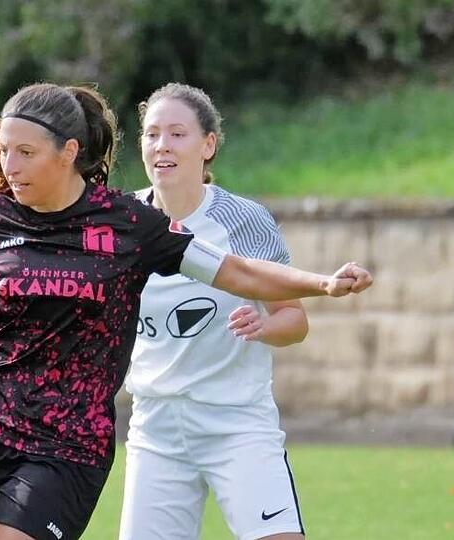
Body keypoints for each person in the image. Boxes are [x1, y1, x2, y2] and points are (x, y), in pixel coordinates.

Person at [0, 82, 372, 540]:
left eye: (25, 152)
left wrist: (322, 284)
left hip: (68, 443)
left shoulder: (130, 224)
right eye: (6, 151)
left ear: (68, 151)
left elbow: (236, 271)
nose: (9, 166)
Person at [119, 82, 314, 540]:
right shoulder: (122, 219)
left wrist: (264, 327)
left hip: (237, 425)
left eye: (177, 133)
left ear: (208, 145)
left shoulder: (244, 220)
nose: (162, 145)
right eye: (151, 134)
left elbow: (295, 319)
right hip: (155, 430)